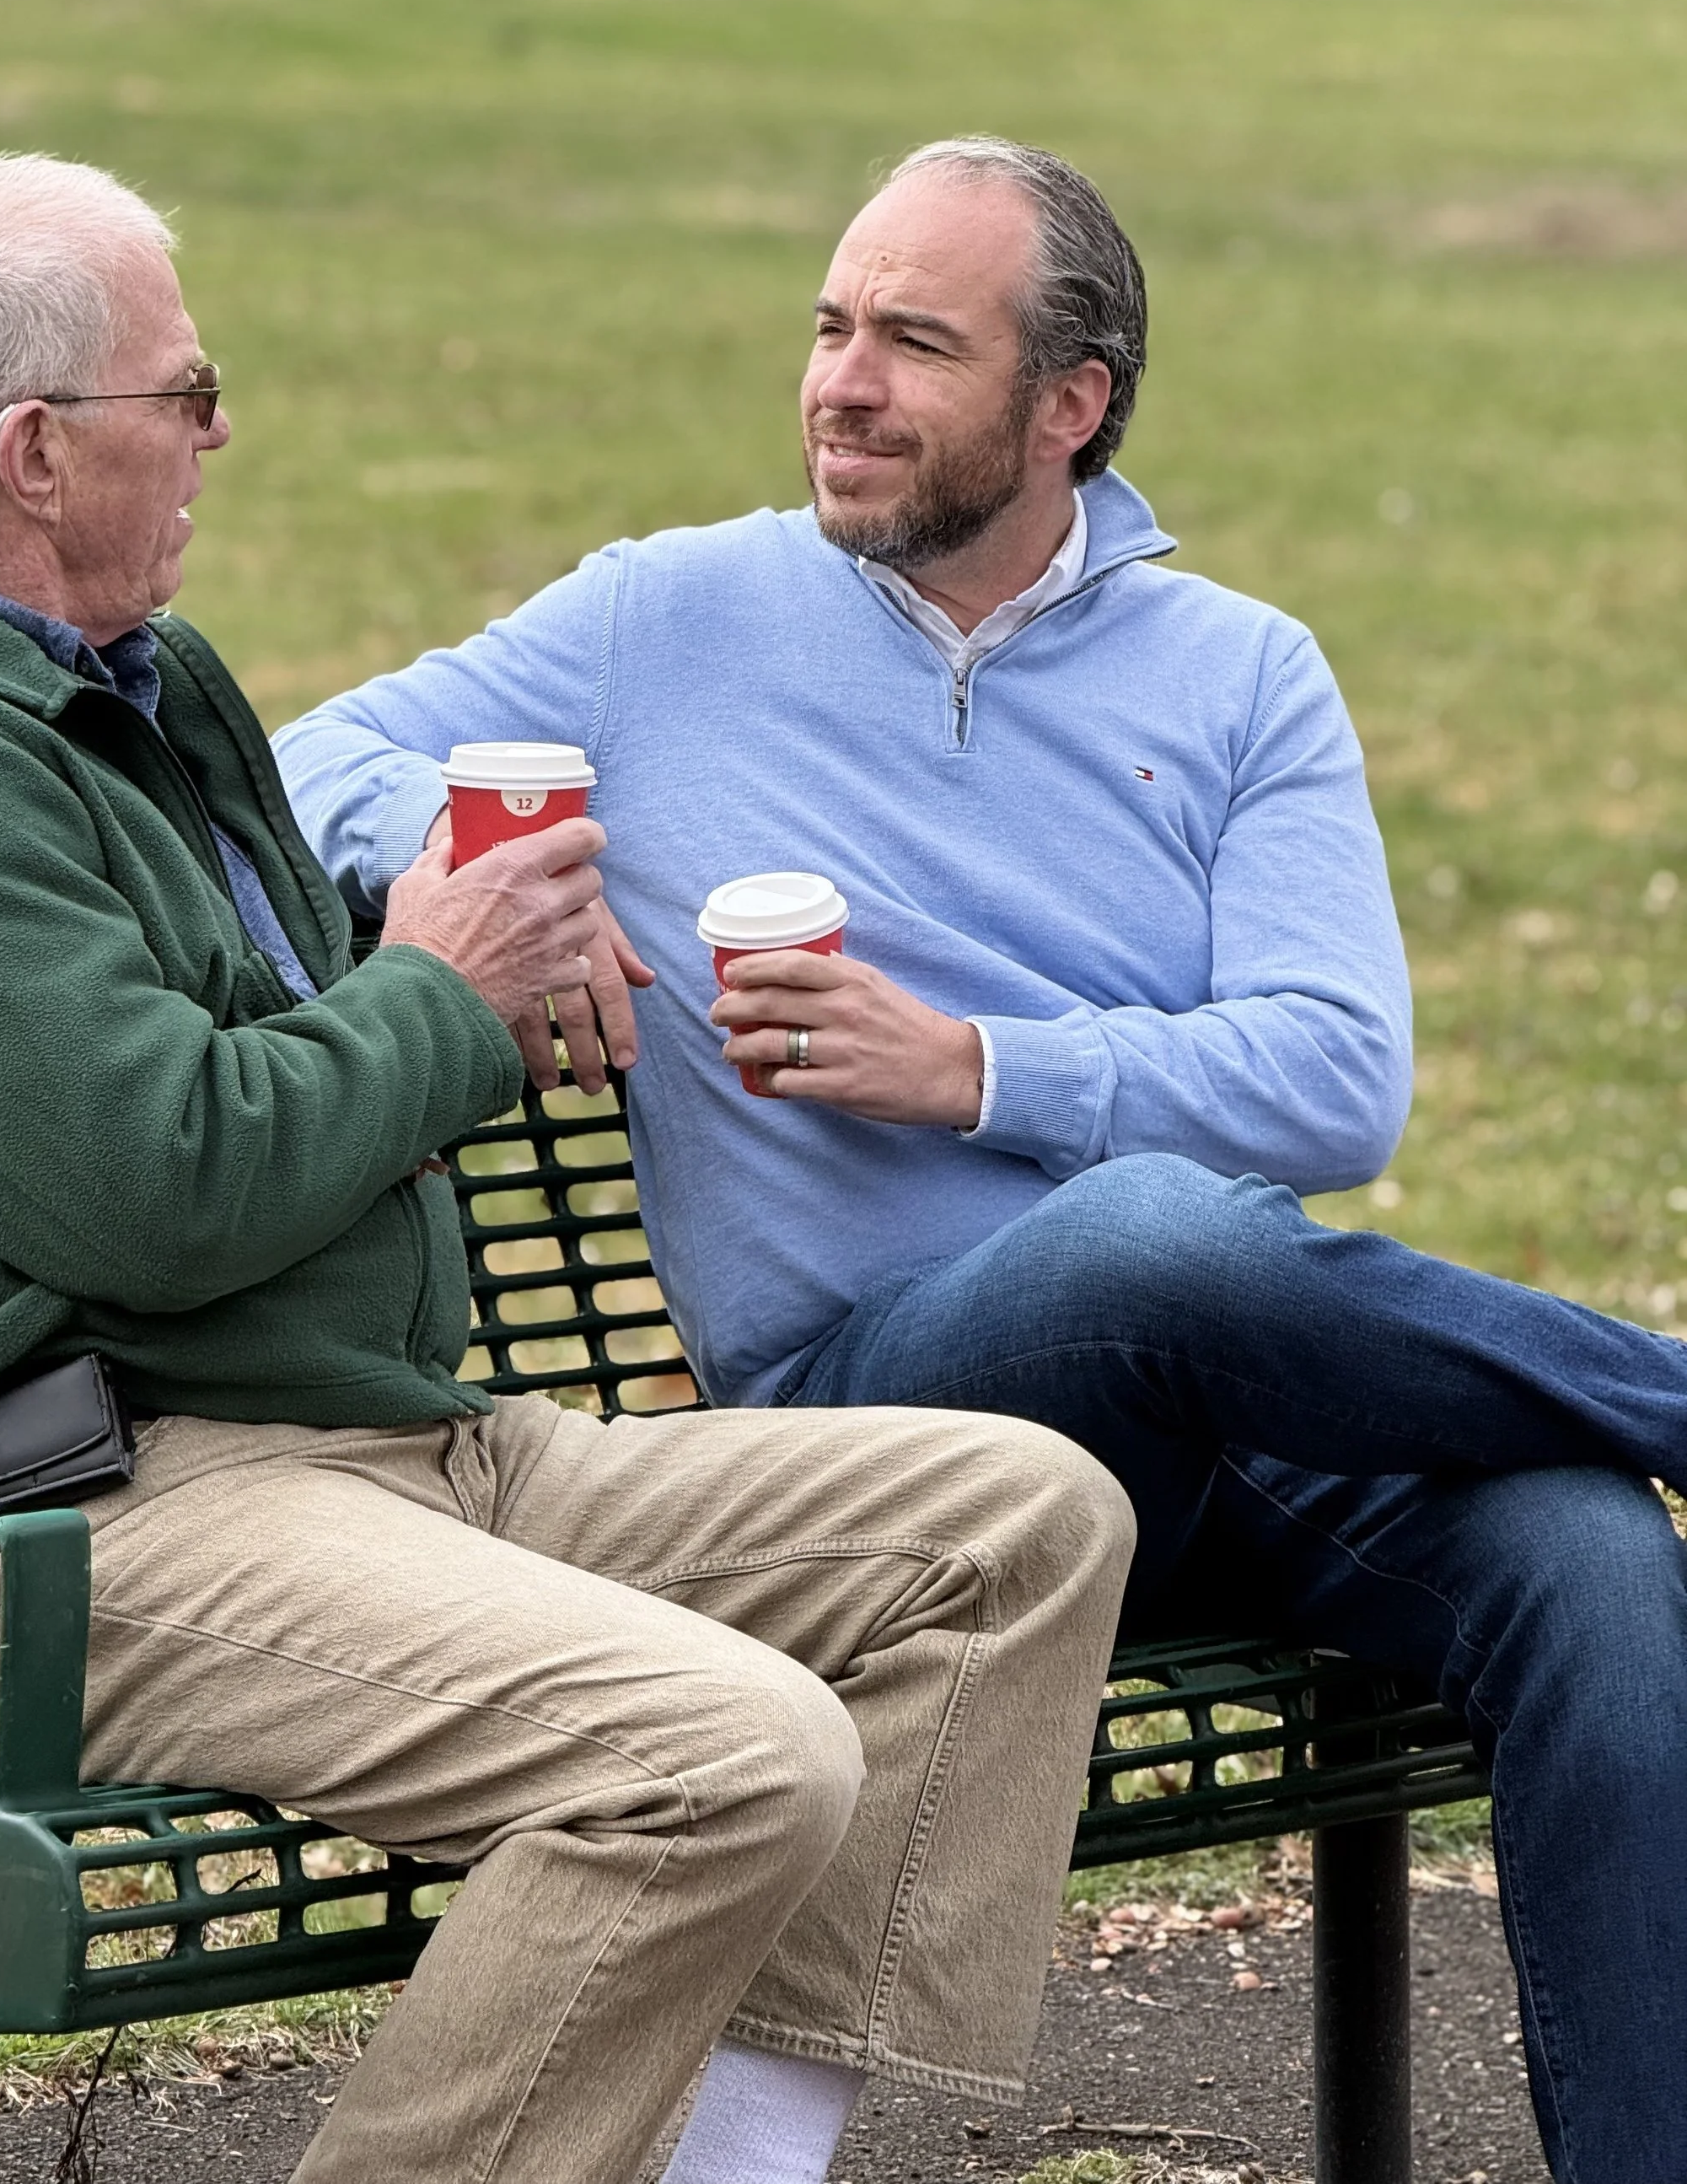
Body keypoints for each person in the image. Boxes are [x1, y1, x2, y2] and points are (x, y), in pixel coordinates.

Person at [0, 153, 1133, 2184]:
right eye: (180, 390)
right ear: (33, 451)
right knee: (716, 1751)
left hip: (373, 1452)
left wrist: (442, 959)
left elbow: (266, 1044)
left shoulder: (138, 689)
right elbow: (152, 1188)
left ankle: (731, 2164)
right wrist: (438, 997)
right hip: (64, 1529)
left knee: (1012, 1518)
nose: (217, 428)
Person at [277, 133, 1687, 2184]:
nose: (839, 381)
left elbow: (1334, 1081)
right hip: (872, 1430)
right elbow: (314, 748)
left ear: (1068, 404)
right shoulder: (670, 616)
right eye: (830, 325)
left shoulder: (1238, 675)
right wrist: (511, 873)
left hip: (1222, 1405)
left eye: (910, 342)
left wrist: (971, 1069)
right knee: (1144, 1238)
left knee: (1589, 1560)